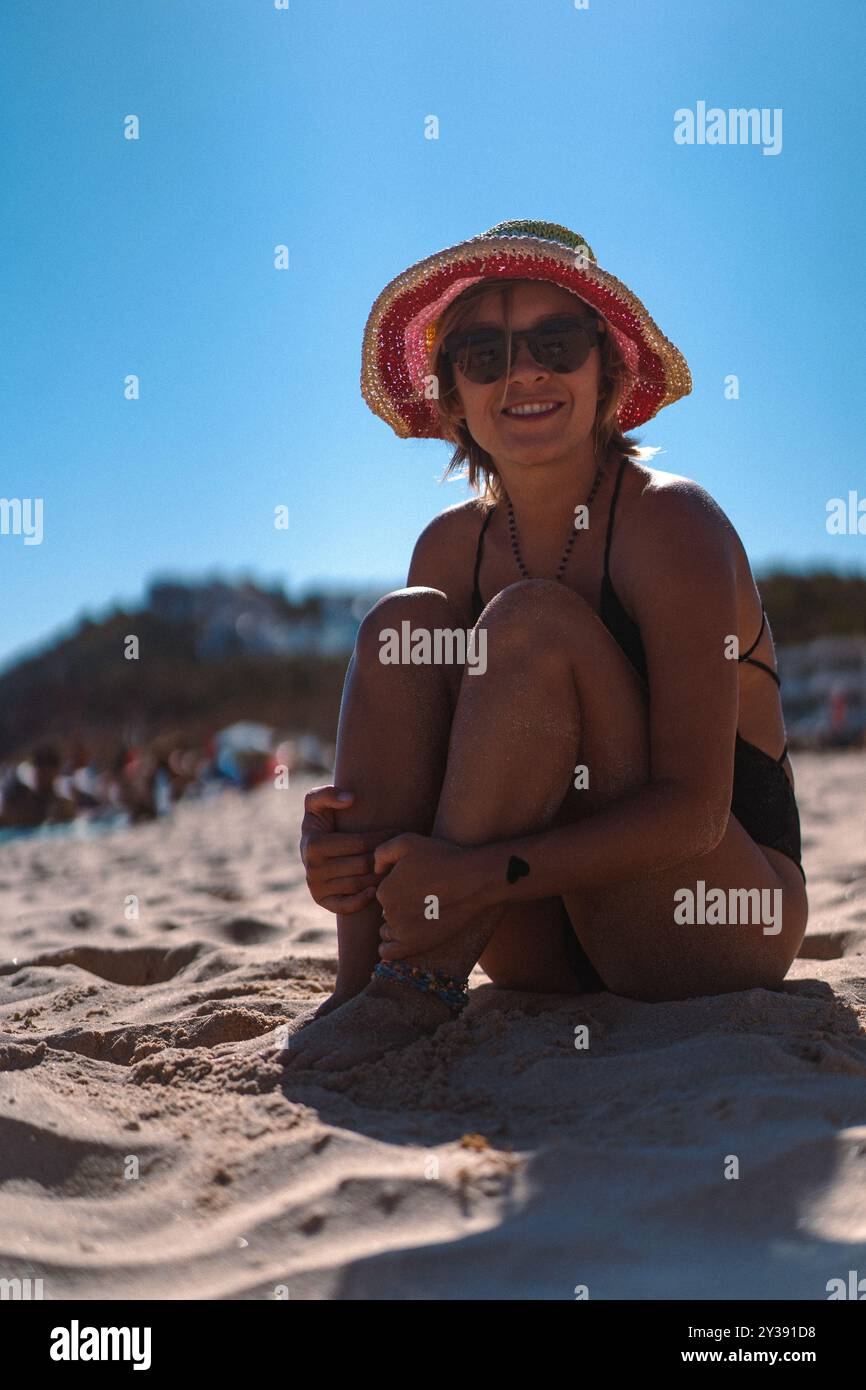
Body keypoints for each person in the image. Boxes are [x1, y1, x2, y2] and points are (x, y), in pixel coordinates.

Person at [282, 219, 808, 1072]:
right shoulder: (450, 549)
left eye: (555, 343)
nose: (523, 371)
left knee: (532, 622)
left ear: (608, 367)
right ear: (454, 393)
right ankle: (368, 987)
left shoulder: (672, 524)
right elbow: (412, 754)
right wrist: (344, 853)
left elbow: (695, 810)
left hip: (703, 918)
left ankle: (414, 983)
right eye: (483, 355)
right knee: (399, 626)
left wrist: (482, 876)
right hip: (529, 937)